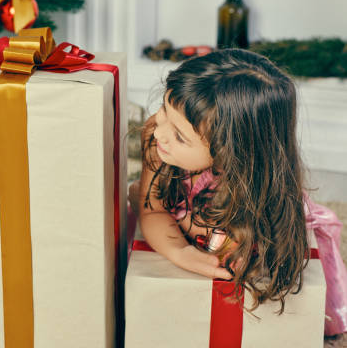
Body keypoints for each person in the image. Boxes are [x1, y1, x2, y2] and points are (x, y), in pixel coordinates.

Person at [129, 48, 347, 336]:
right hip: (195, 215)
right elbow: (151, 208)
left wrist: (232, 250)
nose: (159, 133)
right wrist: (179, 251)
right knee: (136, 193)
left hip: (239, 224)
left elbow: (246, 252)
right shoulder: (155, 134)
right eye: (163, 111)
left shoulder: (252, 189)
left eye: (180, 136)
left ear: (230, 154)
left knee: (315, 321)